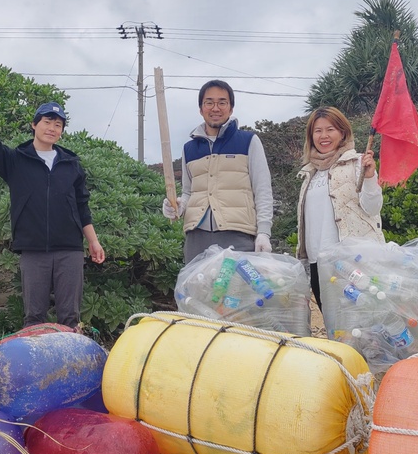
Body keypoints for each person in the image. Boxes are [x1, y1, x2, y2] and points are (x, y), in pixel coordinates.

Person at [0, 98, 105, 328]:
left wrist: (93, 242)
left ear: (62, 132)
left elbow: (82, 206)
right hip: (33, 251)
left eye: (58, 125)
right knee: (34, 318)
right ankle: (36, 363)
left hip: (70, 251)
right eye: (47, 122)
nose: (52, 128)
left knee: (70, 318)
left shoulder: (72, 164)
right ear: (34, 125)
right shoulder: (16, 160)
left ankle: (72, 364)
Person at [162, 80, 274, 263]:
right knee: (198, 291)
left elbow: (262, 190)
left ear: (230, 109)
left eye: (222, 102)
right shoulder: (189, 149)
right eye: (209, 102)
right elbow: (188, 192)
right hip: (197, 238)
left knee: (237, 291)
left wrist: (263, 232)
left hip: (238, 234)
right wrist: (178, 206)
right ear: (201, 109)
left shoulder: (249, 141)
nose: (215, 108)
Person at [296, 106, 385, 311]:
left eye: (330, 129)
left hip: (351, 261)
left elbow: (372, 208)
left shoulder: (357, 163)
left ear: (342, 132)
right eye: (318, 131)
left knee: (361, 321)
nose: (324, 136)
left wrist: (370, 176)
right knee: (332, 324)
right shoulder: (309, 173)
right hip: (318, 263)